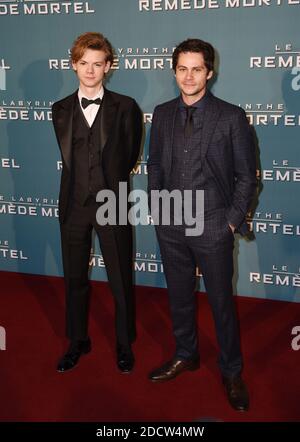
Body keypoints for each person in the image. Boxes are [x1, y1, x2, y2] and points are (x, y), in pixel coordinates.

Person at [147, 39, 256, 411]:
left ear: (210, 72)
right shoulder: (161, 114)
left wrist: (228, 222)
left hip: (213, 225)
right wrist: (159, 209)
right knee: (178, 298)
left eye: (196, 69)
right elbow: (156, 166)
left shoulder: (231, 116)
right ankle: (186, 354)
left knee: (222, 303)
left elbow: (246, 177)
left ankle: (231, 371)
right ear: (174, 71)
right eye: (182, 68)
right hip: (171, 225)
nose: (189, 76)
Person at [52, 32, 142, 374]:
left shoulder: (126, 107)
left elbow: (130, 155)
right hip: (73, 203)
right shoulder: (59, 110)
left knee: (120, 278)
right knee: (74, 278)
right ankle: (77, 340)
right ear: (74, 65)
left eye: (97, 64)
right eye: (84, 63)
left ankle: (124, 343)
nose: (90, 71)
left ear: (108, 67)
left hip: (111, 202)